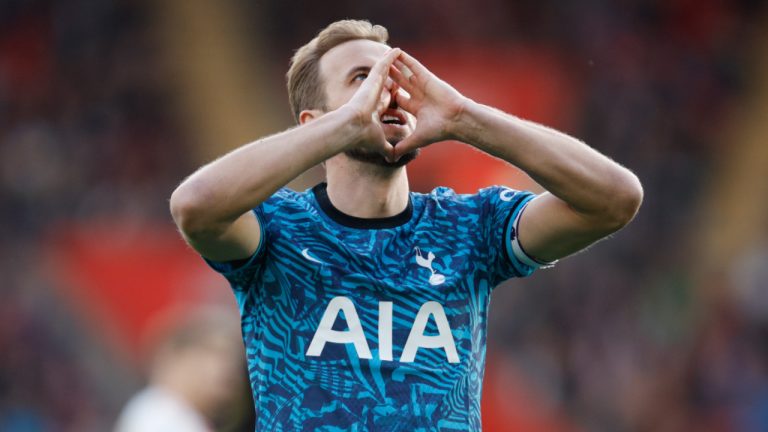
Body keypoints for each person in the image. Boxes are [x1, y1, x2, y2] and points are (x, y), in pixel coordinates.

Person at [169, 19, 643, 431]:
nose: (386, 90)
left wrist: (464, 117)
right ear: (315, 123)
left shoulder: (469, 228)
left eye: (394, 77)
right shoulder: (277, 229)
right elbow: (195, 207)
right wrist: (348, 124)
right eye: (362, 79)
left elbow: (613, 200)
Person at [114, 309, 251, 432]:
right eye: (217, 352)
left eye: (236, 360)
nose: (229, 369)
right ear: (176, 354)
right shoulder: (159, 414)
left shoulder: (172, 414)